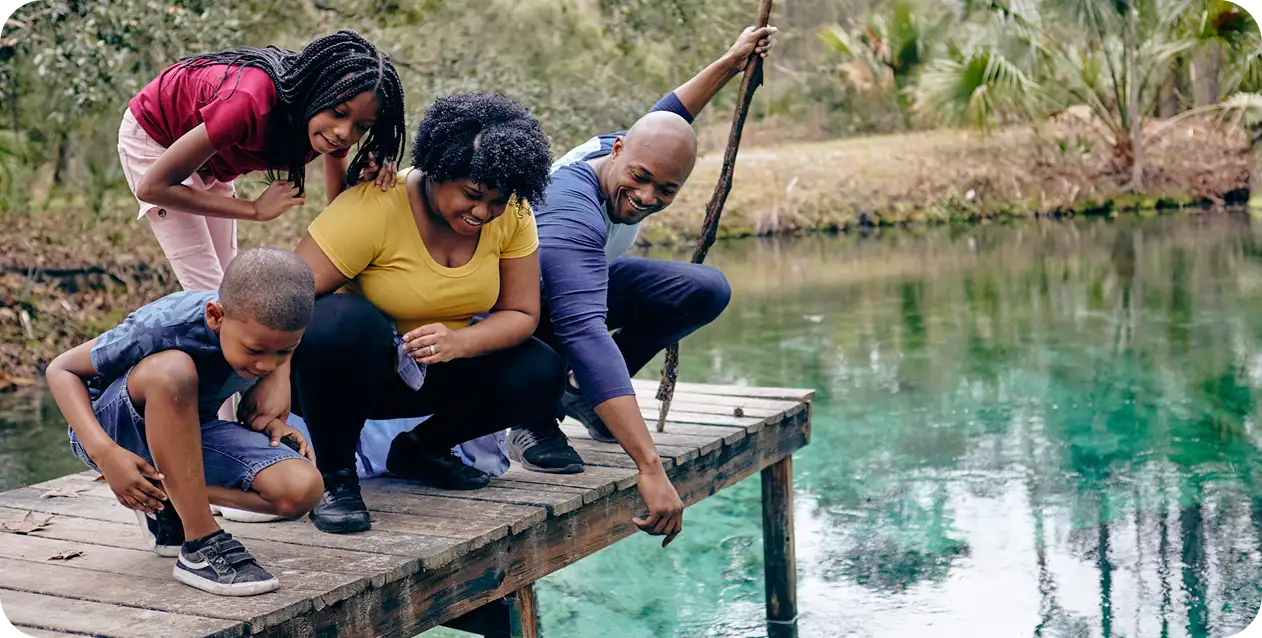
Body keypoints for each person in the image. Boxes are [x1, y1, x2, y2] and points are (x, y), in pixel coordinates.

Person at [118, 29, 406, 520]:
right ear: (318, 93)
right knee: (220, 301)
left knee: (236, 299)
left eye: (360, 127)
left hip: (212, 161)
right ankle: (219, 466)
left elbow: (338, 213)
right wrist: (253, 211)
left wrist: (367, 182)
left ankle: (244, 443)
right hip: (157, 148)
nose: (343, 133)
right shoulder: (249, 101)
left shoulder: (329, 128)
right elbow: (155, 185)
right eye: (338, 113)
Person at [507, 25, 777, 548]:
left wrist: (730, 61)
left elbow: (672, 115)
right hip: (519, 310)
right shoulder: (570, 209)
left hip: (582, 284)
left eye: (666, 188)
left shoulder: (630, 150)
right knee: (569, 331)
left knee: (704, 289)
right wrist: (649, 466)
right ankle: (533, 418)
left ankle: (584, 396)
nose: (648, 196)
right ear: (619, 149)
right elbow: (584, 330)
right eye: (642, 177)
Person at [254, 92, 566, 534]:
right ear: (438, 169)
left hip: (432, 372)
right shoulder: (375, 206)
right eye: (472, 194)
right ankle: (336, 478)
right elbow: (284, 300)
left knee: (540, 370)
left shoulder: (512, 214)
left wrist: (461, 342)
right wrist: (270, 386)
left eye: (496, 202)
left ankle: (422, 448)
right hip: (343, 378)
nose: (483, 212)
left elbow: (520, 311)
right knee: (343, 319)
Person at [43, 247, 323, 596]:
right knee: (172, 371)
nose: (267, 364)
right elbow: (61, 369)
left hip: (189, 435)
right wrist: (105, 453)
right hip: (112, 430)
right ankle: (200, 544)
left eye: (283, 351)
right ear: (215, 316)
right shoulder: (163, 326)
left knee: (303, 489)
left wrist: (274, 402)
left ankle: (164, 499)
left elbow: (274, 356)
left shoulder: (270, 336)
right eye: (255, 351)